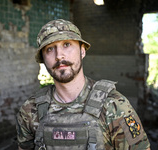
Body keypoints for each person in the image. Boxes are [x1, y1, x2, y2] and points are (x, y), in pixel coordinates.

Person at [16, 19, 151, 150]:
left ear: (82, 51)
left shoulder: (113, 106)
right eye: (50, 49)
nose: (59, 55)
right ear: (43, 59)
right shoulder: (30, 111)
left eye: (67, 44)